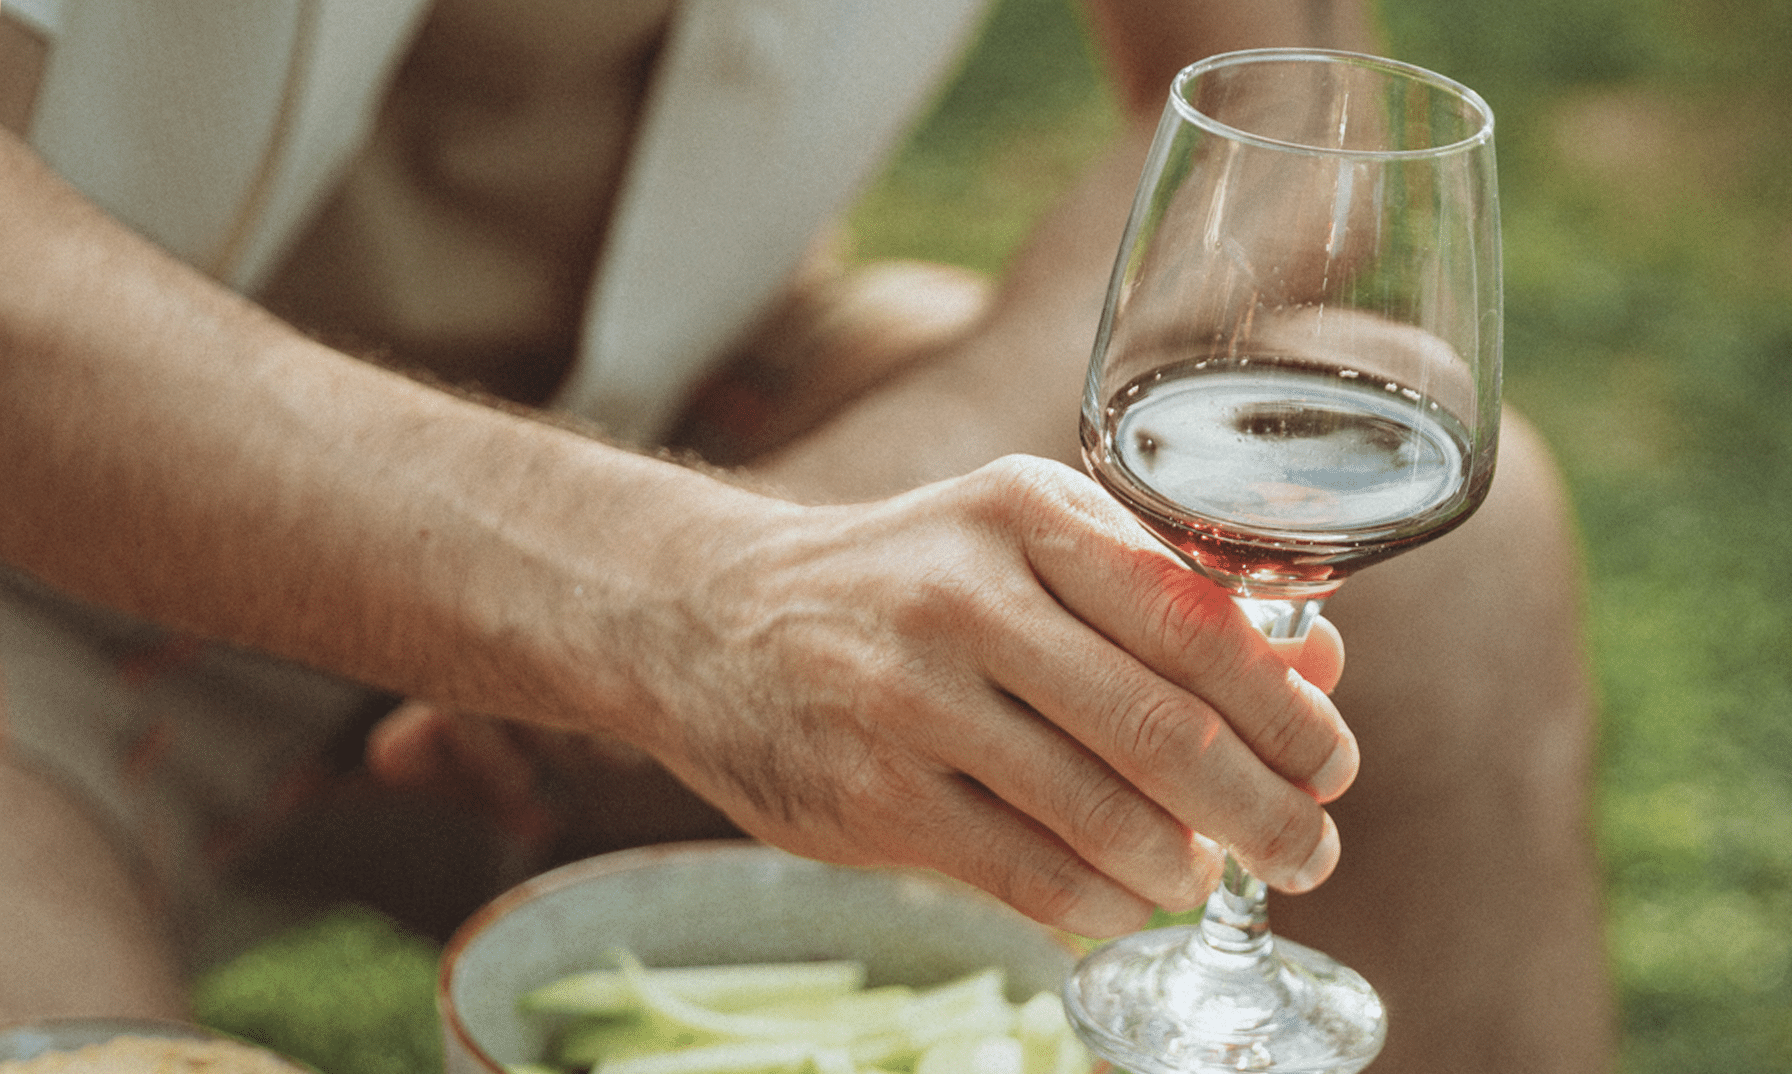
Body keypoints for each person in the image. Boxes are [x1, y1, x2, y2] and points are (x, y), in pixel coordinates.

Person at [0, 0, 1615, 1070]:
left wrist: (822, 515)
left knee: (1456, 582)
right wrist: (671, 600)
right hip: (41, 553)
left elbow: (1294, 99)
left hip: (696, 417)